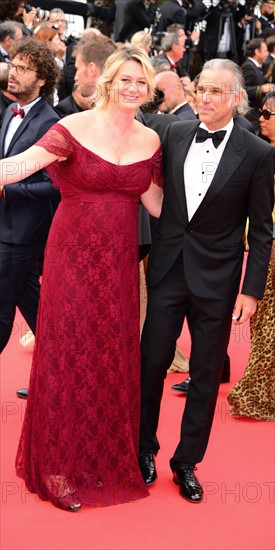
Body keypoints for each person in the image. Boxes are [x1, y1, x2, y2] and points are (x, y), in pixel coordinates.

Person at [0, 45, 163, 512]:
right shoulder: (72, 127)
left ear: (148, 90)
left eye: (141, 82)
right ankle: (57, 468)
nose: (133, 88)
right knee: (69, 353)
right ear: (108, 81)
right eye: (125, 79)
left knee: (110, 353)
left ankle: (103, 461)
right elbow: (22, 165)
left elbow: (159, 207)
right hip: (71, 257)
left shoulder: (149, 141)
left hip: (118, 264)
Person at [138, 58, 274, 504]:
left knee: (204, 377)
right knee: (152, 363)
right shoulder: (173, 133)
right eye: (200, 88)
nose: (205, 97)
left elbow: (262, 228)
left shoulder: (257, 153)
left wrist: (250, 291)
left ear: (237, 98)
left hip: (217, 280)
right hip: (167, 271)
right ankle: (143, 448)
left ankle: (186, 462)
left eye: (215, 91)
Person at [15, 32, 117, 402]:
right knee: (57, 317)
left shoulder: (55, 120)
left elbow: (155, 200)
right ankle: (56, 380)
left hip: (104, 242)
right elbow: (18, 164)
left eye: (75, 66)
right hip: (59, 240)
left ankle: (81, 385)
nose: (73, 74)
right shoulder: (62, 120)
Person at [0, 38, 60, 359]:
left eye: (24, 69)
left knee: (1, 310)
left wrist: (7, 189)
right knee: (33, 304)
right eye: (14, 65)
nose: (14, 72)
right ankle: (61, 370)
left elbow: (54, 185)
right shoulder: (10, 111)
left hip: (24, 234)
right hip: (3, 225)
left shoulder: (50, 122)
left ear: (41, 80)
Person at [228, 90, 275, 422]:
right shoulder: (267, 154)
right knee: (265, 326)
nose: (261, 118)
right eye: (261, 112)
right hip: (269, 250)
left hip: (271, 249)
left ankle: (259, 392)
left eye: (268, 115)